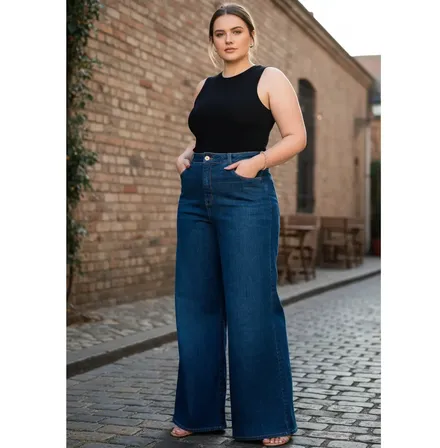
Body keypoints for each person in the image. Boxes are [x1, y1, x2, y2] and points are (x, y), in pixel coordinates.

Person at [171, 3, 306, 447]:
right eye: (219, 33)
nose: (227, 39)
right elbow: (205, 135)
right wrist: (188, 155)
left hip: (246, 193)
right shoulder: (204, 86)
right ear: (212, 40)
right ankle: (198, 415)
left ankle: (267, 420)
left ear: (250, 35)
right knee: (196, 306)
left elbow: (296, 137)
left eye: (235, 31)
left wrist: (257, 163)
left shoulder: (270, 78)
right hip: (196, 194)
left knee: (251, 306)